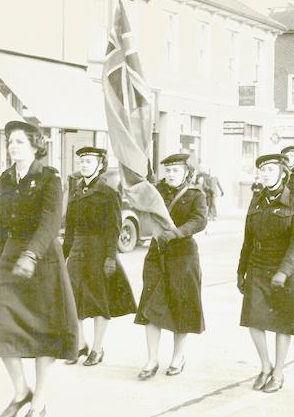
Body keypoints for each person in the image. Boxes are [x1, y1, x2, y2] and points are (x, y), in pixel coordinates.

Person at [0, 121, 78, 417]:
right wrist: (1, 261)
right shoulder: (5, 179)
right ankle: (22, 390)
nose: (13, 146)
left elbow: (51, 222)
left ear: (36, 146)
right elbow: (1, 224)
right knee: (1, 327)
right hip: (12, 256)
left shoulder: (49, 178)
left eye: (20, 142)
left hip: (42, 260)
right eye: (10, 141)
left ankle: (39, 402)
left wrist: (31, 254)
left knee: (43, 333)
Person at [237, 153, 294, 393]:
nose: (265, 174)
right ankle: (265, 366)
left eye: (271, 171)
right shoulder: (256, 201)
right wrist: (240, 271)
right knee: (254, 320)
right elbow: (247, 239)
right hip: (257, 265)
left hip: (285, 270)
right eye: (262, 171)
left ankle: (278, 372)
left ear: (283, 174)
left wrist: (283, 272)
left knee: (282, 324)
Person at [135, 153, 207, 380]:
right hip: (157, 254)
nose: (171, 175)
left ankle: (178, 357)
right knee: (150, 306)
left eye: (176, 170)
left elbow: (199, 220)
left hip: (183, 255)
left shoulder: (196, 194)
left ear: (186, 172)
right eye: (168, 170)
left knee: (181, 307)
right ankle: (152, 359)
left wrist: (176, 233)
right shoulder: (156, 192)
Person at [63, 147, 136, 366]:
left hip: (98, 252)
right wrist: (63, 254)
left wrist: (110, 258)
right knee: (72, 299)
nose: (83, 165)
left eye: (88, 161)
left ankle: (97, 348)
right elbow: (69, 228)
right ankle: (80, 344)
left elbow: (113, 229)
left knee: (98, 300)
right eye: (82, 161)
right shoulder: (76, 191)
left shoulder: (108, 192)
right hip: (77, 250)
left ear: (99, 165)